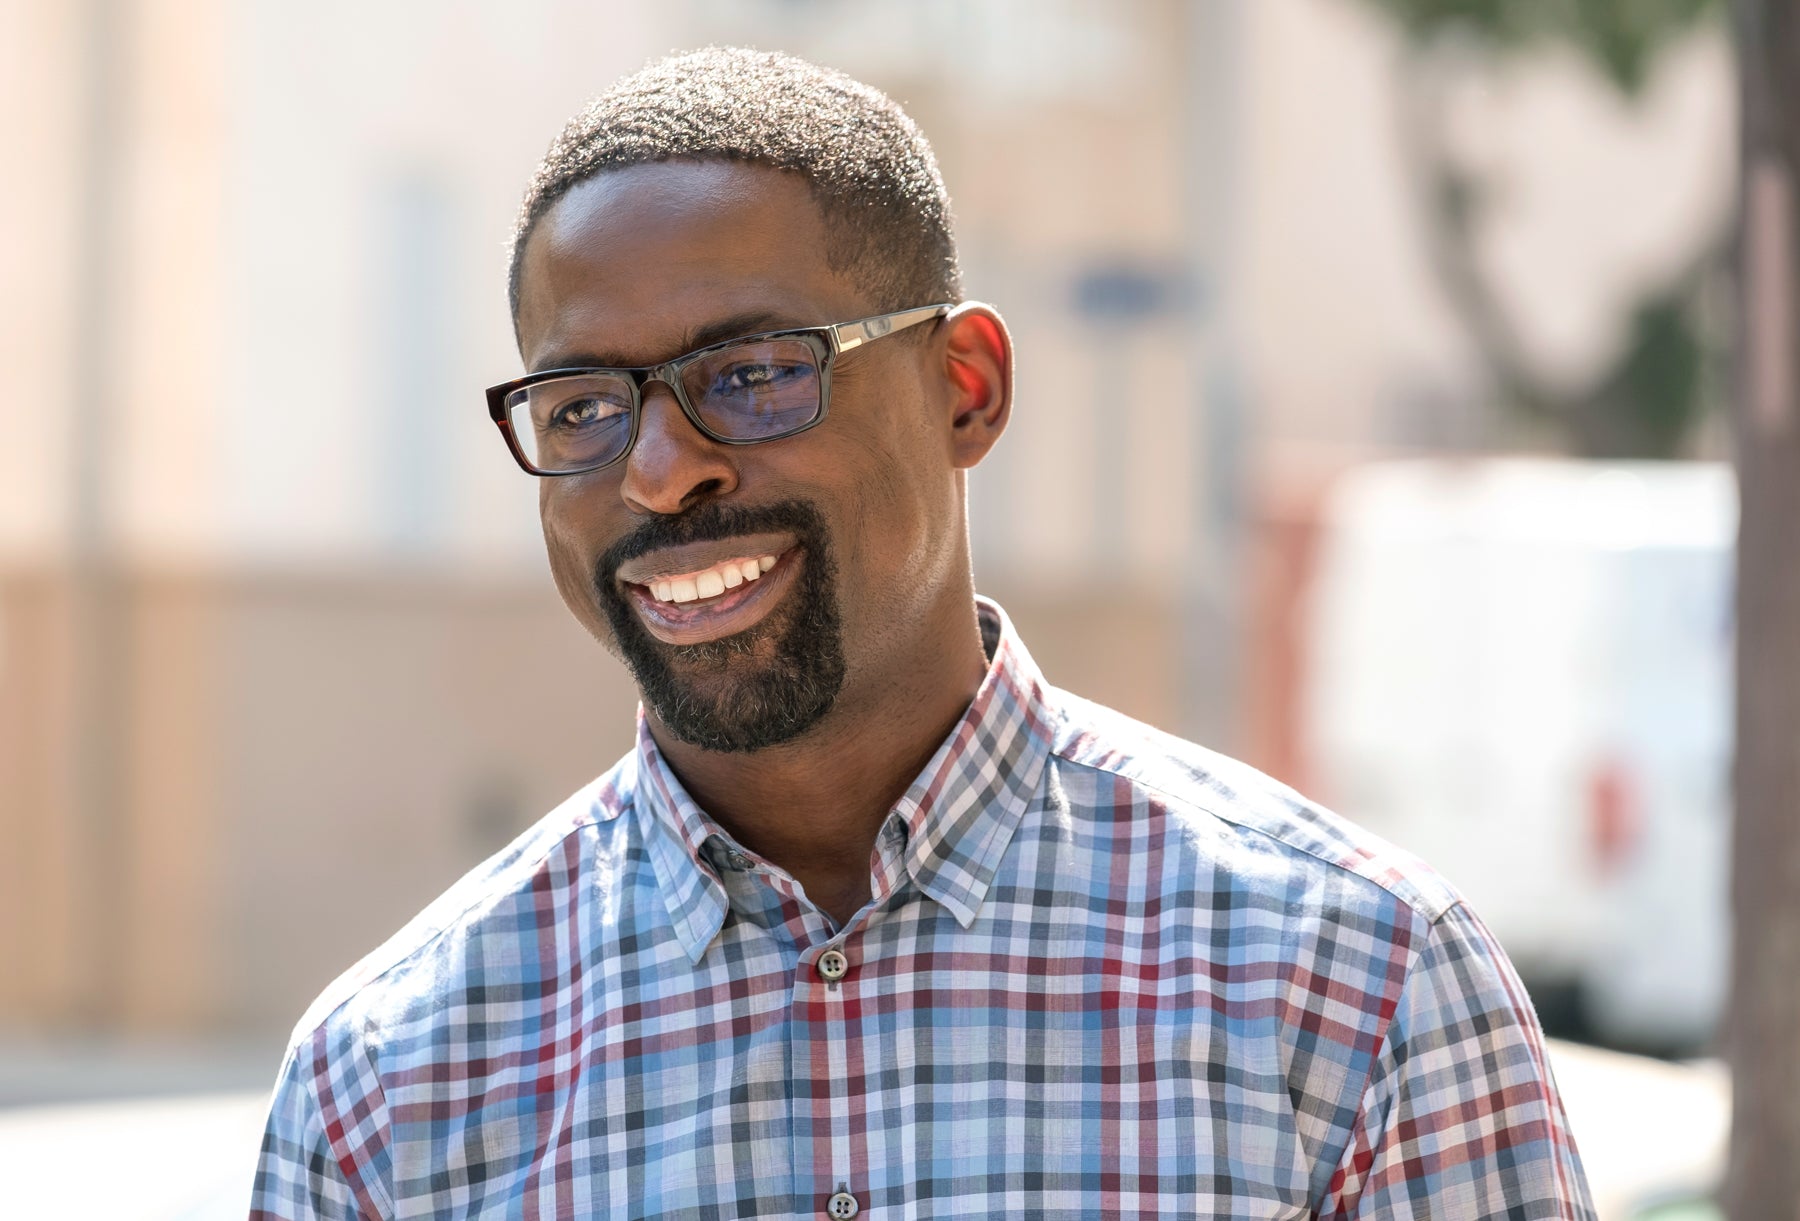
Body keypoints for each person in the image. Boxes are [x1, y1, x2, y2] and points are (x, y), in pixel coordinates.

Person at [252, 47, 1594, 1219]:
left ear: (967, 389)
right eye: (583, 407)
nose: (660, 469)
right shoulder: (389, 1088)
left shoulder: (1357, 986)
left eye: (756, 373)